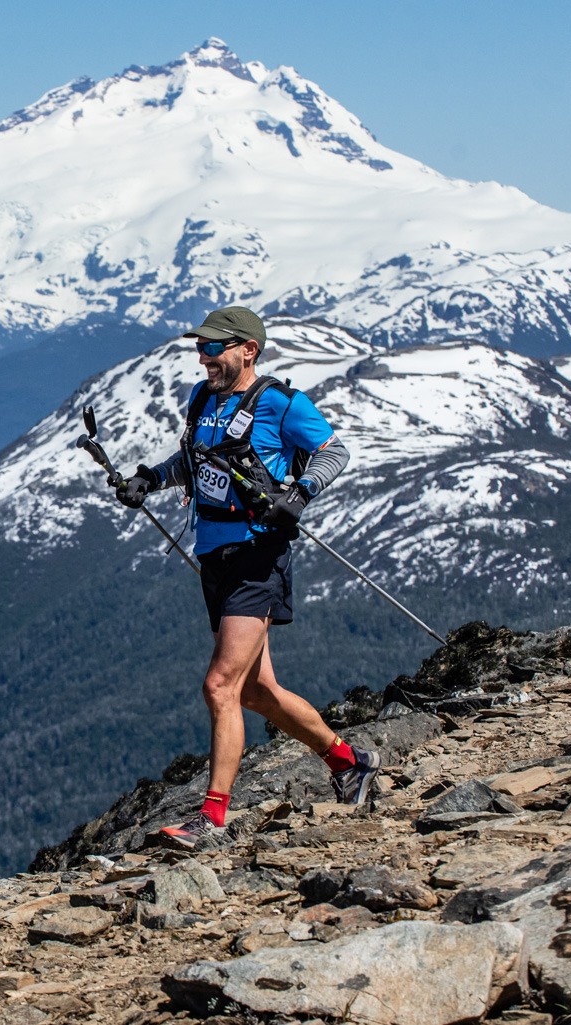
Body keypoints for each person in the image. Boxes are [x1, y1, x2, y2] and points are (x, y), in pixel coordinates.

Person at [112, 306, 379, 851]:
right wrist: (150, 479)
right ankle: (351, 762)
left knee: (220, 685)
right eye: (200, 348)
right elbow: (195, 461)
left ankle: (212, 821)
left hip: (259, 553)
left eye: (214, 348)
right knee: (256, 690)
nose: (203, 357)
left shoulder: (279, 402)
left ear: (247, 350)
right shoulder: (203, 399)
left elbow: (334, 451)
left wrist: (298, 495)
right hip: (214, 554)